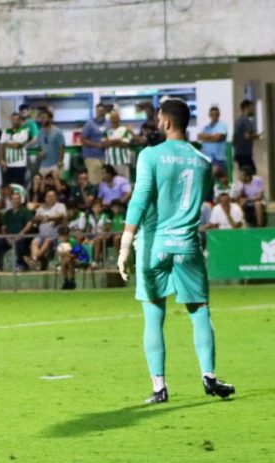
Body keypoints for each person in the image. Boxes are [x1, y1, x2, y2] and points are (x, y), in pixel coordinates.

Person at [117, 98, 235, 405]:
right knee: (200, 312)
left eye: (158, 118)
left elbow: (140, 199)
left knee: (154, 316)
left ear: (167, 122)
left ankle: (160, 388)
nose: (156, 123)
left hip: (154, 245)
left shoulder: (150, 155)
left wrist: (125, 244)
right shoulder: (204, 162)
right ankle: (209, 377)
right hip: (188, 246)